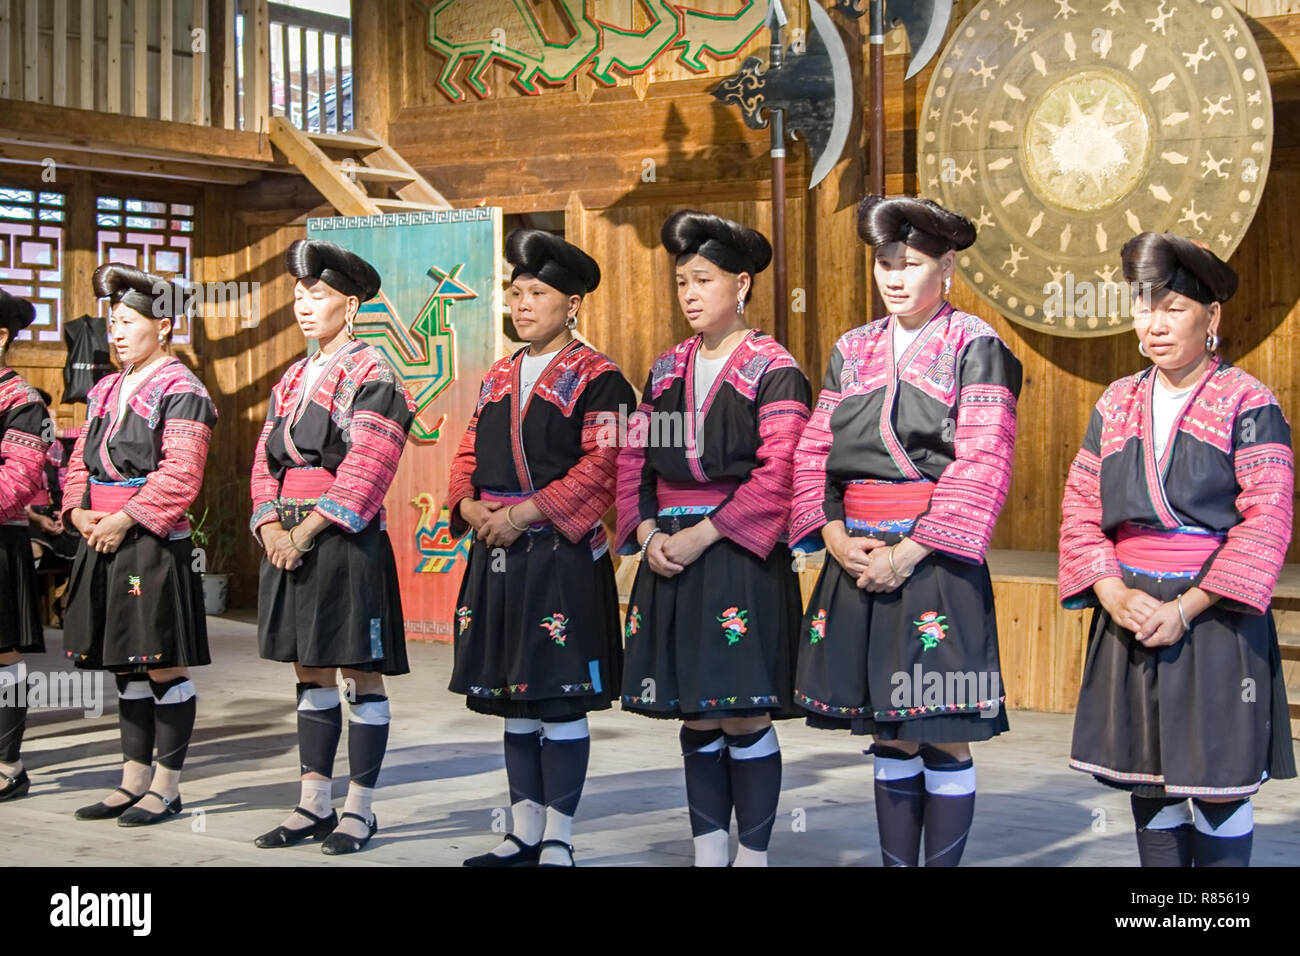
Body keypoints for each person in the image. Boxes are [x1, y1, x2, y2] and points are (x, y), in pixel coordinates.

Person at [789, 196, 1022, 867]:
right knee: (889, 733)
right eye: (884, 262)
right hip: (857, 554)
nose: (894, 277)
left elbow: (984, 461)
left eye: (910, 263)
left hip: (935, 561)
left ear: (947, 266)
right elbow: (813, 452)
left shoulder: (976, 347)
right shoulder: (851, 348)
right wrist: (831, 535)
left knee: (941, 729)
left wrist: (912, 549)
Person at [1059, 233, 1295, 867]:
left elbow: (1267, 518)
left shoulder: (1249, 402)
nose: (1154, 325)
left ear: (1211, 316)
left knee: (1217, 790)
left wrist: (1189, 607)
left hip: (1214, 617)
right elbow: (1081, 508)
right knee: (1150, 784)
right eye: (1143, 306)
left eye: (1173, 308)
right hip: (1132, 612)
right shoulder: (1115, 402)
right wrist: (1111, 592)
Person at [615, 210, 811, 867]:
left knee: (742, 713)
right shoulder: (665, 368)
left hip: (736, 558)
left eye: (703, 279)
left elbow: (779, 471)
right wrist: (645, 533)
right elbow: (633, 459)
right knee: (697, 713)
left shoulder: (774, 369)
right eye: (681, 282)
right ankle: (708, 853)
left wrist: (704, 535)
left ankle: (751, 856)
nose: (691, 294)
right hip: (668, 554)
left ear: (743, 284)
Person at [448, 229, 633, 867]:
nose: (522, 304)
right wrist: (469, 505)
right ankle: (521, 833)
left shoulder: (603, 379)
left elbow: (605, 464)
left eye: (539, 293)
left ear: (573, 303)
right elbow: (468, 449)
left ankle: (559, 836)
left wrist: (527, 512)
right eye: (516, 292)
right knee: (514, 701)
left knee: (556, 698)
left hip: (558, 554)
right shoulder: (498, 374)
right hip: (496, 550)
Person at [250, 239, 415, 856]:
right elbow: (263, 463)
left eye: (316, 295)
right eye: (297, 294)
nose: (303, 305)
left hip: (342, 538)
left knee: (358, 671)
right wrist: (270, 527)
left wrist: (305, 531)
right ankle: (312, 802)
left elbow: (368, 468)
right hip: (287, 537)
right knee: (309, 669)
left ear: (350, 306)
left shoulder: (375, 371)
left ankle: (360, 809)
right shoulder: (292, 378)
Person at [62, 264, 217, 826]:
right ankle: (132, 780)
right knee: (124, 667)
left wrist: (124, 518)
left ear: (165, 325)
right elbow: (79, 461)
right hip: (99, 535)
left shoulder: (183, 389)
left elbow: (180, 473)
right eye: (113, 321)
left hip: (148, 542)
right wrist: (77, 509)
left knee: (161, 665)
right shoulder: (104, 388)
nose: (117, 331)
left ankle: (168, 787)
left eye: (129, 321)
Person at [0, 291, 53, 801]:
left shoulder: (22, 400)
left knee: (2, 654)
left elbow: (17, 480)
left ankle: (8, 764)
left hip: (0, 538)